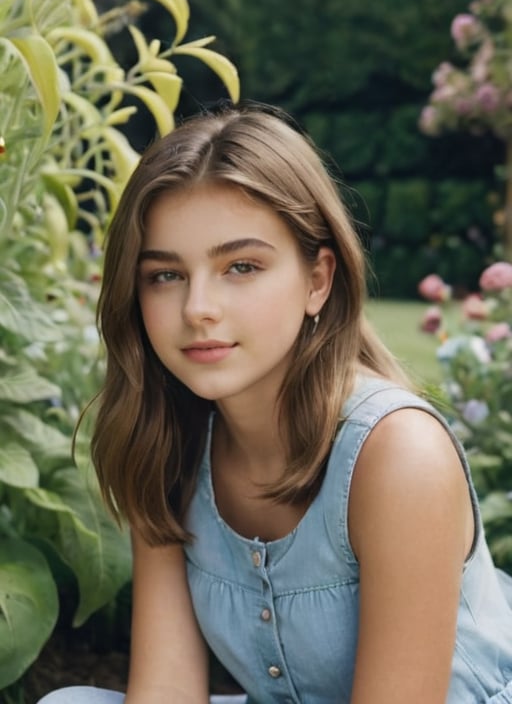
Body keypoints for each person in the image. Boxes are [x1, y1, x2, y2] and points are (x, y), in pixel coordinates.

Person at [38, 103, 512, 704]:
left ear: (318, 280)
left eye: (241, 266)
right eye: (165, 275)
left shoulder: (398, 456)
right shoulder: (167, 443)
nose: (197, 309)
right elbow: (166, 691)